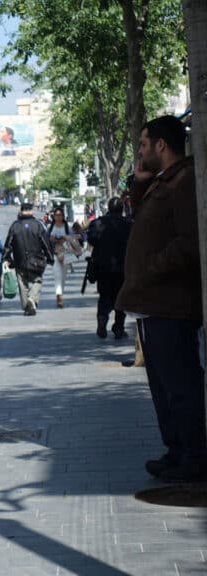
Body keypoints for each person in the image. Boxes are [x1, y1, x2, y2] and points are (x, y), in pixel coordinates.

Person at [116, 115, 204, 483]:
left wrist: (150, 268)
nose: (139, 152)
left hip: (171, 304)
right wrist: (138, 184)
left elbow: (188, 241)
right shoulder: (161, 182)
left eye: (142, 145)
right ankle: (176, 451)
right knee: (163, 387)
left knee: (181, 386)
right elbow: (144, 222)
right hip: (152, 305)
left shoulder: (184, 182)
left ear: (161, 146)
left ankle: (195, 458)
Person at [86, 197, 131, 339]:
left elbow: (91, 240)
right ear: (122, 209)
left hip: (103, 268)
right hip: (123, 268)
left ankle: (102, 321)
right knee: (121, 298)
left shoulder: (98, 223)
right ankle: (118, 328)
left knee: (104, 296)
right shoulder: (128, 224)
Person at [4, 202, 54, 316]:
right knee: (37, 281)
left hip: (19, 261)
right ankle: (32, 300)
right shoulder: (38, 225)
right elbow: (45, 243)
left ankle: (26, 305)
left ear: (21, 211)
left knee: (22, 284)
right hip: (36, 261)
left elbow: (8, 244)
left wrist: (6, 257)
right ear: (32, 211)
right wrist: (50, 257)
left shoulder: (15, 226)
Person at [47, 206, 73, 308]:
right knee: (57, 275)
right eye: (56, 215)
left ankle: (60, 293)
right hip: (54, 254)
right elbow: (46, 239)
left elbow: (72, 238)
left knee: (63, 277)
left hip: (65, 254)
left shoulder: (67, 227)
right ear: (53, 216)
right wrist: (52, 239)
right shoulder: (50, 227)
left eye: (60, 215)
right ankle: (59, 296)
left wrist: (65, 239)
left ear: (63, 216)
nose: (58, 217)